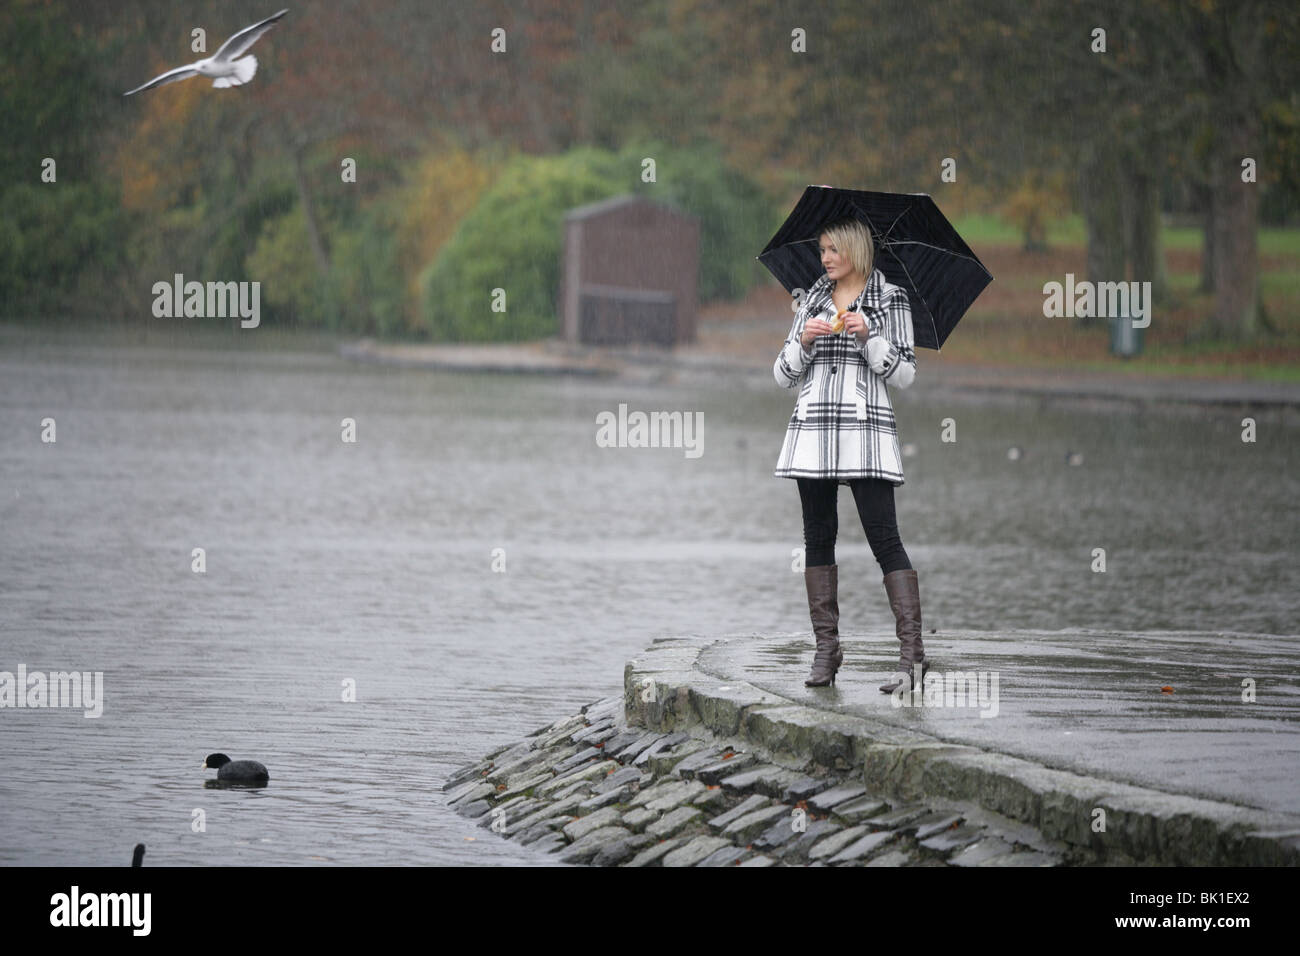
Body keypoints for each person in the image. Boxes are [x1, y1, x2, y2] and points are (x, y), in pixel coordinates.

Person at [772, 217, 927, 693]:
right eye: (821, 250)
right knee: (818, 538)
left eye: (833, 249)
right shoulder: (810, 299)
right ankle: (826, 650)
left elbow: (905, 375)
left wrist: (870, 338)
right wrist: (803, 342)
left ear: (856, 249)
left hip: (866, 434)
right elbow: (781, 375)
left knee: (885, 538)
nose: (825, 258)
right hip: (813, 433)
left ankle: (912, 658)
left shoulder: (890, 299)